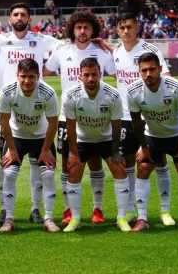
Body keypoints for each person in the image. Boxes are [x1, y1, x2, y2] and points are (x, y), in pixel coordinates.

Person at [0, 3, 59, 224]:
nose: (19, 17)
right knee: (5, 162)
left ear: (29, 19)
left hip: (36, 107)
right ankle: (4, 210)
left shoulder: (41, 39)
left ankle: (36, 210)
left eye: (23, 15)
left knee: (39, 165)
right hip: (8, 107)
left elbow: (68, 44)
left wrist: (95, 41)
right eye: (15, 14)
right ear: (9, 19)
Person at [43, 11, 116, 225]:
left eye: (86, 27)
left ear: (92, 30)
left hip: (96, 115)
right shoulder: (60, 51)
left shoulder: (102, 53)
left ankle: (98, 209)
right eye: (78, 27)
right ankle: (68, 210)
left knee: (95, 163)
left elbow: (119, 74)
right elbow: (43, 73)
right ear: (72, 30)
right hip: (68, 116)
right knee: (68, 164)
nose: (82, 31)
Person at [113, 12, 174, 226]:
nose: (126, 31)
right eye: (122, 27)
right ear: (117, 30)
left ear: (137, 27)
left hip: (149, 116)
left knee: (158, 160)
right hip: (125, 116)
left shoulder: (150, 50)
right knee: (129, 162)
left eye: (129, 27)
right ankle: (131, 209)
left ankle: (165, 211)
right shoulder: (116, 52)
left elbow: (165, 78)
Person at [127, 53, 178, 233]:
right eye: (144, 70)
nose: (148, 74)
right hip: (153, 137)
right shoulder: (133, 91)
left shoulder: (176, 87)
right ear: (139, 71)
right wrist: (143, 147)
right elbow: (137, 123)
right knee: (142, 168)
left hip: (177, 135)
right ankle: (142, 218)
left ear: (159, 69)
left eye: (152, 69)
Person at [62, 58, 131, 232]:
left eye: (94, 74)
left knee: (119, 169)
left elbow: (116, 126)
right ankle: (75, 218)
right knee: (74, 170)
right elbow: (70, 127)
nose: (91, 78)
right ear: (80, 76)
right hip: (83, 139)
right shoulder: (71, 95)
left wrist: (116, 152)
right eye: (87, 75)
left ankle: (121, 217)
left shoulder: (113, 95)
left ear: (100, 74)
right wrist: (74, 153)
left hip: (106, 139)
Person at [0, 58, 59, 233]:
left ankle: (48, 218)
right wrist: (12, 149)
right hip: (17, 136)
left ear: (38, 76)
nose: (27, 81)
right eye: (23, 76)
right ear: (17, 74)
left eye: (31, 76)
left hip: (41, 138)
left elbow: (53, 123)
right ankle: (9, 218)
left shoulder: (48, 93)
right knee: (8, 174)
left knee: (47, 176)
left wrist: (46, 150)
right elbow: (4, 122)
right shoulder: (7, 92)